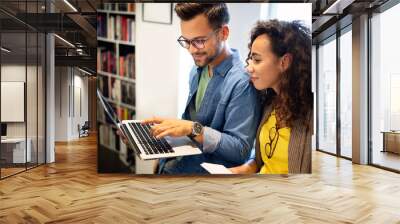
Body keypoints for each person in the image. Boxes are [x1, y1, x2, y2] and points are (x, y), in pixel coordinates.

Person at [141, 3, 261, 174]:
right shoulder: (198, 69)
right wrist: (162, 144)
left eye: (199, 41)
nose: (191, 50)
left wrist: (192, 128)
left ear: (223, 33)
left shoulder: (242, 83)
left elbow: (240, 150)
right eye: (186, 41)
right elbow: (189, 121)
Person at [229, 20, 313, 174]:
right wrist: (240, 170)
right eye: (250, 59)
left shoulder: (311, 114)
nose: (248, 68)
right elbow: (262, 161)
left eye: (257, 60)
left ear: (284, 62)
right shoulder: (270, 104)